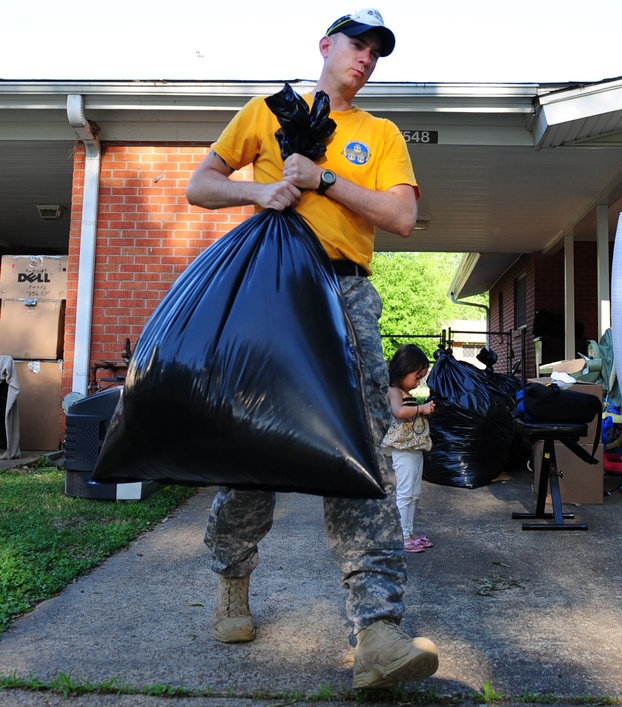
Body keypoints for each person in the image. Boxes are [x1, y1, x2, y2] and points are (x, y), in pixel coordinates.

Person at [185, 8, 438, 689]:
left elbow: (403, 216)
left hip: (348, 296)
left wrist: (323, 178)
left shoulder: (379, 134)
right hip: (274, 294)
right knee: (257, 442)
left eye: (377, 51)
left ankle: (378, 629)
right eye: (357, 43)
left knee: (360, 449)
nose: (366, 58)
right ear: (326, 44)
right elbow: (198, 184)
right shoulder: (267, 109)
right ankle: (233, 578)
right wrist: (260, 190)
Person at [382, 344, 435, 553]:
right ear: (404, 369)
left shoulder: (404, 391)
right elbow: (398, 411)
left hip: (414, 449)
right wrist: (420, 408)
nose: (419, 381)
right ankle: (401, 536)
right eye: (417, 376)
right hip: (403, 450)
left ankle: (409, 531)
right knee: (405, 493)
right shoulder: (394, 391)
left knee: (414, 493)